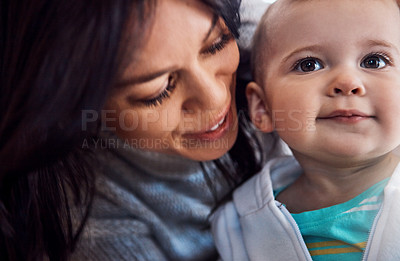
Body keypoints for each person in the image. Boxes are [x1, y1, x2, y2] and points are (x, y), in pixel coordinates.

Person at [0, 0, 277, 260]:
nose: (216, 98)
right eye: (157, 91)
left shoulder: (275, 33)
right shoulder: (94, 225)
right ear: (78, 104)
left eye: (217, 45)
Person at [211, 0, 400, 260]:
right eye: (309, 65)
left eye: (374, 61)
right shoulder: (239, 224)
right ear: (263, 107)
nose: (347, 82)